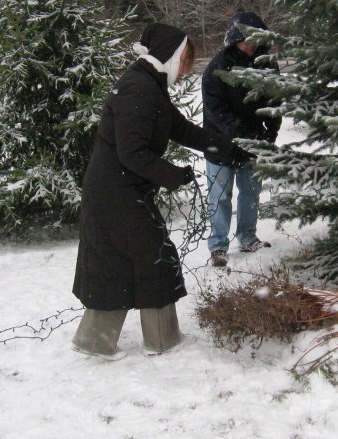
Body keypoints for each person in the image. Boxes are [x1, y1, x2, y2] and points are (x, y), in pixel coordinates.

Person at [72, 23, 237, 359]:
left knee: (126, 263)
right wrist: (173, 176)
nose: (187, 68)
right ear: (172, 55)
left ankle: (99, 341)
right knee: (154, 258)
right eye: (186, 59)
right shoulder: (139, 89)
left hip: (120, 190)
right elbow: (131, 153)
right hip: (115, 193)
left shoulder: (149, 85)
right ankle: (153, 340)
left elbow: (180, 129)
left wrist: (226, 147)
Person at [202, 12, 281, 267]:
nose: (251, 46)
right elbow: (217, 112)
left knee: (250, 192)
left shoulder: (266, 63)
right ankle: (218, 245)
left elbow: (276, 101)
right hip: (220, 142)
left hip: (255, 141)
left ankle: (247, 236)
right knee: (220, 196)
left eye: (255, 41)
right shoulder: (217, 67)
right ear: (234, 39)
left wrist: (270, 133)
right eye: (246, 40)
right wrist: (243, 136)